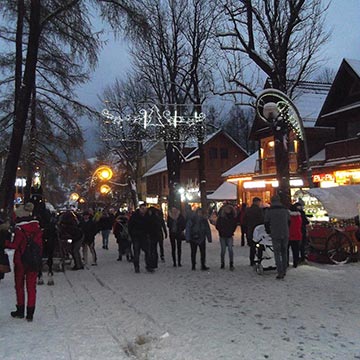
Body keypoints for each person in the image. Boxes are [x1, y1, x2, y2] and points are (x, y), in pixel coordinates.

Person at [5, 203, 43, 321]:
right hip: (34, 260)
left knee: (19, 286)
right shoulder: (37, 228)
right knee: (31, 287)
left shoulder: (19, 229)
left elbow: (15, 245)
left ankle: (20, 310)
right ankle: (30, 314)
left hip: (21, 261)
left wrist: (5, 242)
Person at [264, 195, 290, 279]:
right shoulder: (285, 210)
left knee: (277, 253)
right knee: (284, 252)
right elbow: (289, 221)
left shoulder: (270, 211)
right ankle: (284, 269)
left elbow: (266, 222)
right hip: (285, 232)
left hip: (275, 233)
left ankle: (280, 272)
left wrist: (268, 231)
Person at [128, 203, 153, 273]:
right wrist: (131, 235)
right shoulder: (135, 216)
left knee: (148, 252)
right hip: (136, 236)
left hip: (145, 236)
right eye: (142, 209)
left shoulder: (148, 216)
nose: (144, 210)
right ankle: (136, 266)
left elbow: (151, 225)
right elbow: (130, 226)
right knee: (136, 252)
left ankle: (148, 266)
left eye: (145, 209)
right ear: (140, 209)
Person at [243, 197, 264, 266]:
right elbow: (262, 220)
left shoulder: (248, 210)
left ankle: (252, 260)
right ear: (257, 202)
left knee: (252, 247)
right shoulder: (259, 210)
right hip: (258, 231)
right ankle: (259, 259)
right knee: (260, 246)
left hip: (250, 230)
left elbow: (245, 221)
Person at [216, 204, 237, 270]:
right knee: (223, 250)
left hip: (229, 235)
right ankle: (222, 263)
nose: (228, 210)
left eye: (229, 209)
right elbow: (218, 225)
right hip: (222, 235)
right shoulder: (221, 218)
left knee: (230, 250)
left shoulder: (232, 218)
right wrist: (221, 231)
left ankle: (231, 263)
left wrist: (232, 231)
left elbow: (234, 225)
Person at [288, 203, 303, 268]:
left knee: (286, 250)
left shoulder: (289, 217)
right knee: (296, 250)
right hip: (297, 234)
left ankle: (286, 262)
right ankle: (295, 263)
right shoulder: (299, 216)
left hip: (289, 235)